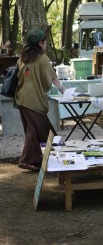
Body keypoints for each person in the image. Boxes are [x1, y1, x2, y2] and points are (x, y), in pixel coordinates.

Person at [15, 29, 65, 171]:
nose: (46, 43)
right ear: (40, 43)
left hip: (22, 98)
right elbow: (52, 77)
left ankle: (41, 158)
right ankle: (26, 160)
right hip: (33, 99)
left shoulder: (23, 57)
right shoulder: (43, 58)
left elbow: (20, 76)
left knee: (39, 128)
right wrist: (63, 91)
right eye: (45, 41)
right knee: (35, 129)